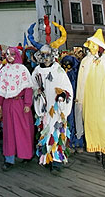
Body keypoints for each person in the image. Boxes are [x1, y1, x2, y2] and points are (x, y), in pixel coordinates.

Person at [76, 29, 105, 176]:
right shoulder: (85, 61)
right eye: (90, 45)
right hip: (91, 101)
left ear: (100, 46)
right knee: (93, 126)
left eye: (93, 44)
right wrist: (80, 100)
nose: (90, 47)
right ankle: (98, 149)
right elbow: (80, 82)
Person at [32, 44, 73, 172]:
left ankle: (56, 161)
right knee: (45, 132)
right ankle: (46, 157)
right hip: (44, 108)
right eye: (43, 55)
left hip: (56, 108)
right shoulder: (37, 71)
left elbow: (67, 88)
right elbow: (33, 87)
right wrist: (37, 93)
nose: (46, 58)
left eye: (48, 55)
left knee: (56, 132)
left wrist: (62, 96)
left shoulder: (58, 70)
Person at [0, 46, 34, 170]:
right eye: (7, 54)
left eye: (12, 54)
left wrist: (27, 104)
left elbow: (28, 88)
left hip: (19, 103)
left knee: (22, 129)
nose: (9, 56)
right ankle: (9, 158)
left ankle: (26, 154)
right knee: (8, 131)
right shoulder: (3, 70)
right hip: (8, 103)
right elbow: (0, 90)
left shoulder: (22, 69)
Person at [60, 54, 84, 153]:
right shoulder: (62, 73)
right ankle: (69, 143)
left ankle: (79, 143)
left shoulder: (78, 73)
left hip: (77, 100)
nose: (67, 68)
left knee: (78, 121)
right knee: (68, 121)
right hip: (67, 101)